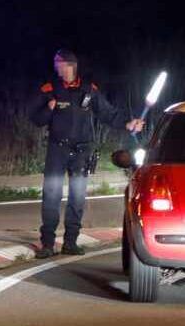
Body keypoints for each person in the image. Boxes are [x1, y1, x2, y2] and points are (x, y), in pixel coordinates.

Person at [30, 49, 144, 259]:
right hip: (57, 150)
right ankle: (47, 243)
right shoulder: (50, 89)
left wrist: (128, 123)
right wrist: (48, 109)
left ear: (69, 65)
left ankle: (70, 242)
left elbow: (108, 114)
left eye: (58, 63)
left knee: (77, 197)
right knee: (51, 195)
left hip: (82, 151)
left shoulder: (89, 90)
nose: (55, 67)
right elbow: (36, 119)